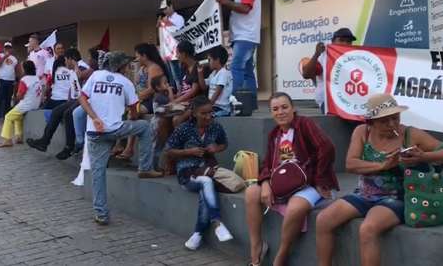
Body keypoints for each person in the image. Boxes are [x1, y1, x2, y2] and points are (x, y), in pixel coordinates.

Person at [316, 94, 443, 266]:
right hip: (364, 194)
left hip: (396, 197)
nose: (392, 124)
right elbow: (350, 164)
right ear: (371, 122)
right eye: (384, 121)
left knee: (368, 229)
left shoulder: (410, 134)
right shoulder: (362, 132)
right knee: (323, 220)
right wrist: (383, 166)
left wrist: (423, 156)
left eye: (395, 118)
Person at [244, 92, 338, 266]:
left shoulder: (304, 125)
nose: (280, 112)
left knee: (295, 208)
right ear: (271, 113)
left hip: (308, 184)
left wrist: (318, 180)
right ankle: (256, 247)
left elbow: (327, 148)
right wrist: (265, 183)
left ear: (293, 108)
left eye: (284, 107)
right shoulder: (275, 134)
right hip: (284, 182)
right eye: (275, 109)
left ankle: (281, 255)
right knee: (251, 192)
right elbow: (267, 163)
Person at [80, 51, 163, 225]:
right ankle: (145, 167)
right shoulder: (126, 82)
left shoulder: (95, 75)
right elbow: (134, 111)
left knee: (98, 173)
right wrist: (127, 117)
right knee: (144, 126)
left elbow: (82, 97)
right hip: (116, 129)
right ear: (121, 66)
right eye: (127, 65)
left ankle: (101, 214)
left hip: (95, 133)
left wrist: (94, 117)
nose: (129, 68)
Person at [164, 96, 233, 250]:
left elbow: (224, 144)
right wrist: (189, 151)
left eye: (211, 112)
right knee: (206, 182)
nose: (208, 116)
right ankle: (217, 222)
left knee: (205, 188)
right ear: (194, 113)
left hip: (209, 169)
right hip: (187, 173)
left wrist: (216, 148)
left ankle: (197, 234)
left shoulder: (216, 127)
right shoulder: (184, 129)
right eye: (204, 113)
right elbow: (168, 151)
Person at [215, 0, 261, 110]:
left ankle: (231, 103)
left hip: (245, 37)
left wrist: (224, 1)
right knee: (247, 72)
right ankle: (251, 105)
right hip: (246, 37)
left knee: (236, 69)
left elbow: (245, 8)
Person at [114, 43, 169, 161]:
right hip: (140, 99)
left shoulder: (154, 68)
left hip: (151, 101)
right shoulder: (142, 68)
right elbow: (136, 85)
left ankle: (129, 148)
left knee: (133, 113)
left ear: (144, 55)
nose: (136, 59)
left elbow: (151, 89)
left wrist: (135, 98)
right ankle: (119, 144)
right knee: (120, 111)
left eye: (138, 56)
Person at [27, 48, 83, 160]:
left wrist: (78, 70)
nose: (65, 63)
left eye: (66, 60)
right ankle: (44, 142)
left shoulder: (81, 66)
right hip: (76, 99)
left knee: (68, 114)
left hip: (84, 100)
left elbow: (84, 76)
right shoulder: (72, 70)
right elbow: (72, 89)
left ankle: (69, 147)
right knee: (57, 111)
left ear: (71, 59)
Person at [301, 28, 357, 112]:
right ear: (333, 42)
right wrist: (317, 54)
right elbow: (306, 74)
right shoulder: (324, 57)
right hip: (328, 102)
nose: (345, 43)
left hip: (350, 101)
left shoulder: (356, 58)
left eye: (348, 41)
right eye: (341, 40)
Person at [0, 61, 43, 147]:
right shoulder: (37, 78)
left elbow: (19, 96)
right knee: (17, 117)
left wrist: (15, 98)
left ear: (25, 69)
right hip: (36, 104)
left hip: (27, 104)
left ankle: (7, 140)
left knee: (8, 116)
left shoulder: (24, 80)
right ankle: (19, 137)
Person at [157, 0, 186, 90]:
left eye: (165, 8)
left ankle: (180, 90)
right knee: (170, 74)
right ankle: (174, 91)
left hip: (176, 50)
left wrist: (165, 23)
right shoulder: (165, 19)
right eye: (162, 9)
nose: (164, 11)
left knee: (177, 73)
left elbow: (179, 31)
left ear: (171, 6)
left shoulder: (179, 18)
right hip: (167, 51)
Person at [198, 46, 233, 117]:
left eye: (209, 59)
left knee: (202, 116)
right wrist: (200, 73)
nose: (208, 62)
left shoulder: (223, 73)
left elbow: (218, 92)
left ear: (217, 60)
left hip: (221, 108)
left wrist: (208, 106)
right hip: (213, 106)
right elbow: (203, 87)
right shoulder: (213, 73)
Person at [0, 42, 19, 125]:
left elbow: (17, 70)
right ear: (3, 48)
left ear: (11, 49)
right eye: (6, 48)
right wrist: (4, 57)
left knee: (8, 101)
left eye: (9, 48)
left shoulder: (14, 59)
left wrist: (16, 80)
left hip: (10, 81)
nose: (7, 49)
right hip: (1, 80)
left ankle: (6, 119)